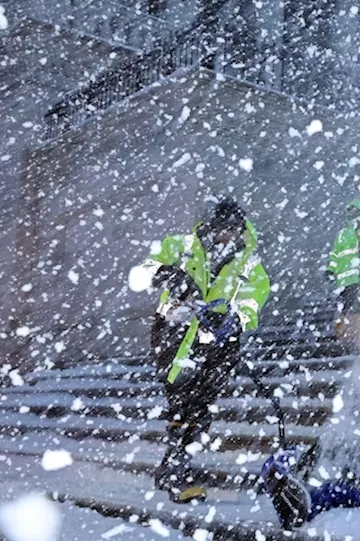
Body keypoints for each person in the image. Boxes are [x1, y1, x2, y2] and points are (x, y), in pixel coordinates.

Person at [137, 198, 270, 503]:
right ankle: (176, 470)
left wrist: (235, 319)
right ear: (213, 224)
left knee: (202, 404)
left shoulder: (248, 263)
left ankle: (177, 464)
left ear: (241, 230)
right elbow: (145, 269)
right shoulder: (182, 246)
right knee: (181, 396)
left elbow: (255, 298)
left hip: (220, 342)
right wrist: (171, 275)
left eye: (234, 229)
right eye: (223, 227)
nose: (228, 235)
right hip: (176, 331)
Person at [261, 445, 360, 531]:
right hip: (318, 501)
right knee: (327, 492)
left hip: (317, 506)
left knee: (329, 493)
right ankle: (291, 506)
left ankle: (292, 508)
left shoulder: (353, 496)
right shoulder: (343, 489)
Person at [327, 200, 360, 343]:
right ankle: (343, 334)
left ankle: (359, 333)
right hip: (347, 278)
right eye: (350, 212)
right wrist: (330, 269)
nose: (352, 215)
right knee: (346, 306)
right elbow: (335, 253)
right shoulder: (343, 233)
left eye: (355, 212)